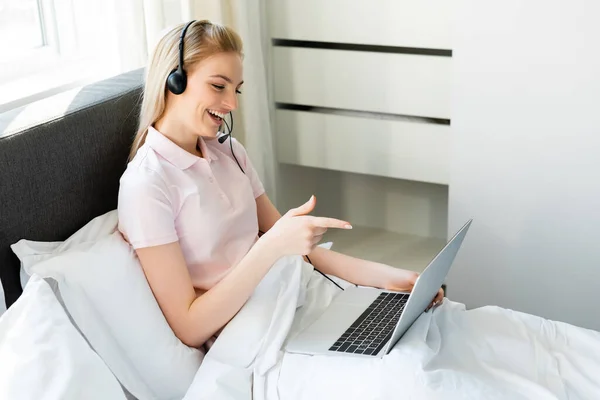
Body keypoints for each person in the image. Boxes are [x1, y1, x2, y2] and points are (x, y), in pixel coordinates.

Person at [117, 20, 443, 350]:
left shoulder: (230, 152)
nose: (232, 104)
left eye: (236, 89)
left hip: (303, 297)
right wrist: (271, 246)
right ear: (174, 81)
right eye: (219, 86)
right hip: (260, 338)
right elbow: (189, 326)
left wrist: (389, 278)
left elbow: (300, 249)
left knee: (439, 336)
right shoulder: (146, 184)